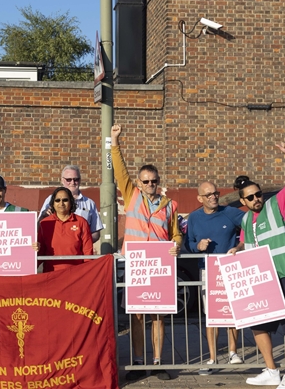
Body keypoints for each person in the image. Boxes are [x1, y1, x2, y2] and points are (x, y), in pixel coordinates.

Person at [228, 142, 285, 389]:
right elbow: (246, 243)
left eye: (258, 194)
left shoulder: (278, 204)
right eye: (250, 197)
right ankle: (272, 371)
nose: (256, 199)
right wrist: (236, 249)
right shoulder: (244, 220)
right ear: (243, 201)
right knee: (258, 325)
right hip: (262, 279)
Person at [110, 125, 181, 382]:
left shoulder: (170, 205)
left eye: (155, 181)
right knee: (137, 315)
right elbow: (120, 171)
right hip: (136, 265)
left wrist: (177, 244)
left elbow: (176, 233)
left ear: (158, 181)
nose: (151, 184)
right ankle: (138, 362)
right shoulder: (131, 196)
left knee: (158, 315)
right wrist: (115, 142)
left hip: (159, 266)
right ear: (139, 183)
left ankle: (158, 361)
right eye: (146, 181)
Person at [184, 181, 245, 373]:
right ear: (200, 198)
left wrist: (238, 247)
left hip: (230, 267)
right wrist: (197, 247)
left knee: (232, 311)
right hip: (208, 269)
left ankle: (233, 352)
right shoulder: (194, 218)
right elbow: (189, 243)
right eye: (208, 194)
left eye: (216, 193)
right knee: (211, 315)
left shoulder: (230, 212)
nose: (214, 196)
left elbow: (250, 226)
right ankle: (212, 358)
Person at [38, 165, 104, 243]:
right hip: (54, 250)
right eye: (68, 180)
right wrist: (43, 216)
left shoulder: (89, 203)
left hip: (79, 252)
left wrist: (83, 242)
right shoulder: (51, 199)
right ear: (62, 180)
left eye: (76, 179)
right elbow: (38, 227)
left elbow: (95, 232)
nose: (72, 182)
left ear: (80, 180)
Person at [38, 186, 94, 272]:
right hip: (51, 274)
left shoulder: (81, 222)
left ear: (71, 202)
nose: (61, 203)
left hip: (76, 274)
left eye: (65, 200)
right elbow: (40, 252)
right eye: (57, 200)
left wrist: (87, 272)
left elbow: (88, 252)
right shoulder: (44, 223)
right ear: (52, 203)